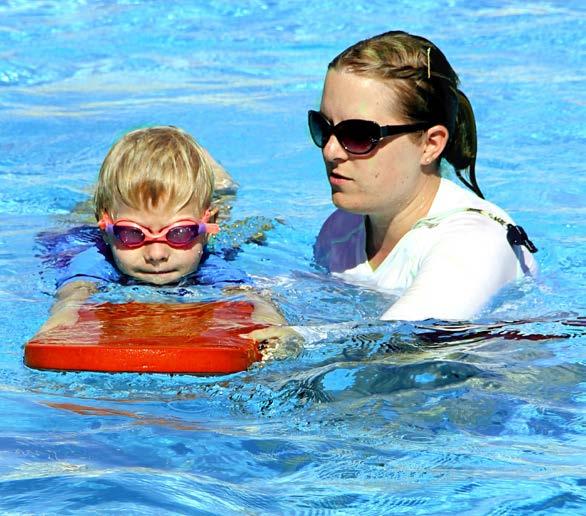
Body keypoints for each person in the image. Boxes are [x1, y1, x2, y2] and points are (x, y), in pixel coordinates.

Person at [310, 30, 538, 322]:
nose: (330, 151)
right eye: (323, 127)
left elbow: (397, 346)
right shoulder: (342, 229)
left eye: (357, 135)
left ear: (430, 145)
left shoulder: (474, 243)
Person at [37, 126, 297, 356]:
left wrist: (272, 323)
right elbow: (76, 291)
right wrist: (64, 316)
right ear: (107, 230)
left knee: (234, 218)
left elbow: (248, 295)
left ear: (204, 231)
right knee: (77, 215)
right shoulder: (95, 256)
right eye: (132, 233)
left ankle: (223, 185)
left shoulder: (210, 262)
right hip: (81, 231)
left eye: (179, 233)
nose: (156, 253)